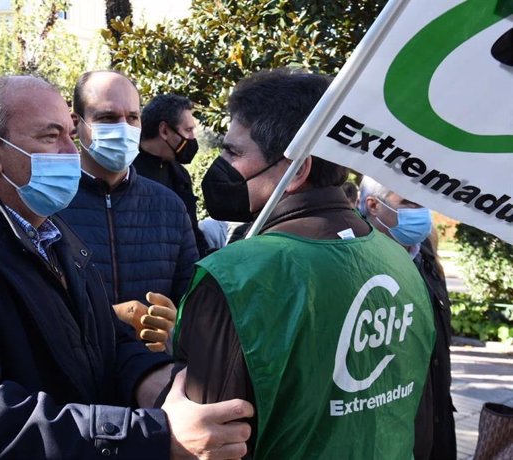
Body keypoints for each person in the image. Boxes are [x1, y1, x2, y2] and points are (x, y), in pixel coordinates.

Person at [0, 75, 252, 459]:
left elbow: (107, 344)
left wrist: (161, 382)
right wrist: (154, 436)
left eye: (70, 133)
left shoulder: (56, 236)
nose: (72, 150)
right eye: (52, 137)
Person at [173, 69, 435, 458]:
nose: (220, 166)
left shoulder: (235, 276)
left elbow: (206, 444)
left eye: (233, 152)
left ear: (297, 169)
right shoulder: (397, 260)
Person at [59, 71, 199, 352]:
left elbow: (193, 303)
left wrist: (177, 328)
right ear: (76, 124)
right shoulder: (47, 205)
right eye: (108, 118)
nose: (123, 128)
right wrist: (107, 318)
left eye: (132, 118)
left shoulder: (170, 206)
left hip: (154, 380)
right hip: (70, 385)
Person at [358, 176, 456, 460]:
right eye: (408, 202)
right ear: (374, 205)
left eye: (423, 202)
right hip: (388, 429)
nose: (421, 211)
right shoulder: (357, 263)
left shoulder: (426, 257)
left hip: (435, 418)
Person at [134, 94, 209, 257]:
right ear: (164, 130)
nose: (192, 138)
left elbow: (192, 234)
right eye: (188, 130)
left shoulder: (180, 175)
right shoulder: (126, 174)